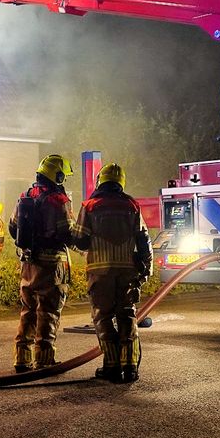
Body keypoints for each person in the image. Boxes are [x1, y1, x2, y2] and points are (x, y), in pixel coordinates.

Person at [73, 162, 152, 383]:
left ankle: (112, 365)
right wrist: (146, 270)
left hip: (100, 271)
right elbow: (143, 239)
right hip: (127, 271)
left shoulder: (89, 206)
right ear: (121, 183)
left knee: (103, 316)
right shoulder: (132, 205)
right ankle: (130, 367)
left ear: (101, 181)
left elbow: (80, 239)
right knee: (127, 315)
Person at [8, 154, 76, 372]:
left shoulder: (25, 196)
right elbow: (67, 232)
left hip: (28, 264)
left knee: (27, 311)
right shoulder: (59, 201)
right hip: (51, 265)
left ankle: (22, 358)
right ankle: (44, 360)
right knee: (48, 312)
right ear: (56, 175)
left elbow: (12, 228)